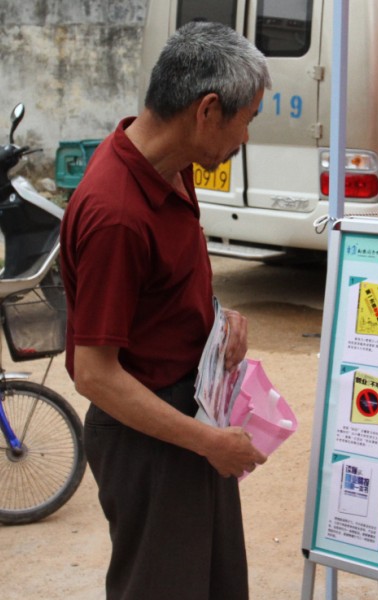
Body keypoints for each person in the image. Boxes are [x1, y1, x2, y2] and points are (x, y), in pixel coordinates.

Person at [60, 21, 271, 600]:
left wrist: (219, 316)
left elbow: (162, 288)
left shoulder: (171, 167)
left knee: (217, 585)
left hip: (191, 415)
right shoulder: (116, 215)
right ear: (208, 111)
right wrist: (208, 442)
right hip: (149, 437)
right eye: (247, 119)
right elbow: (93, 374)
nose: (245, 137)